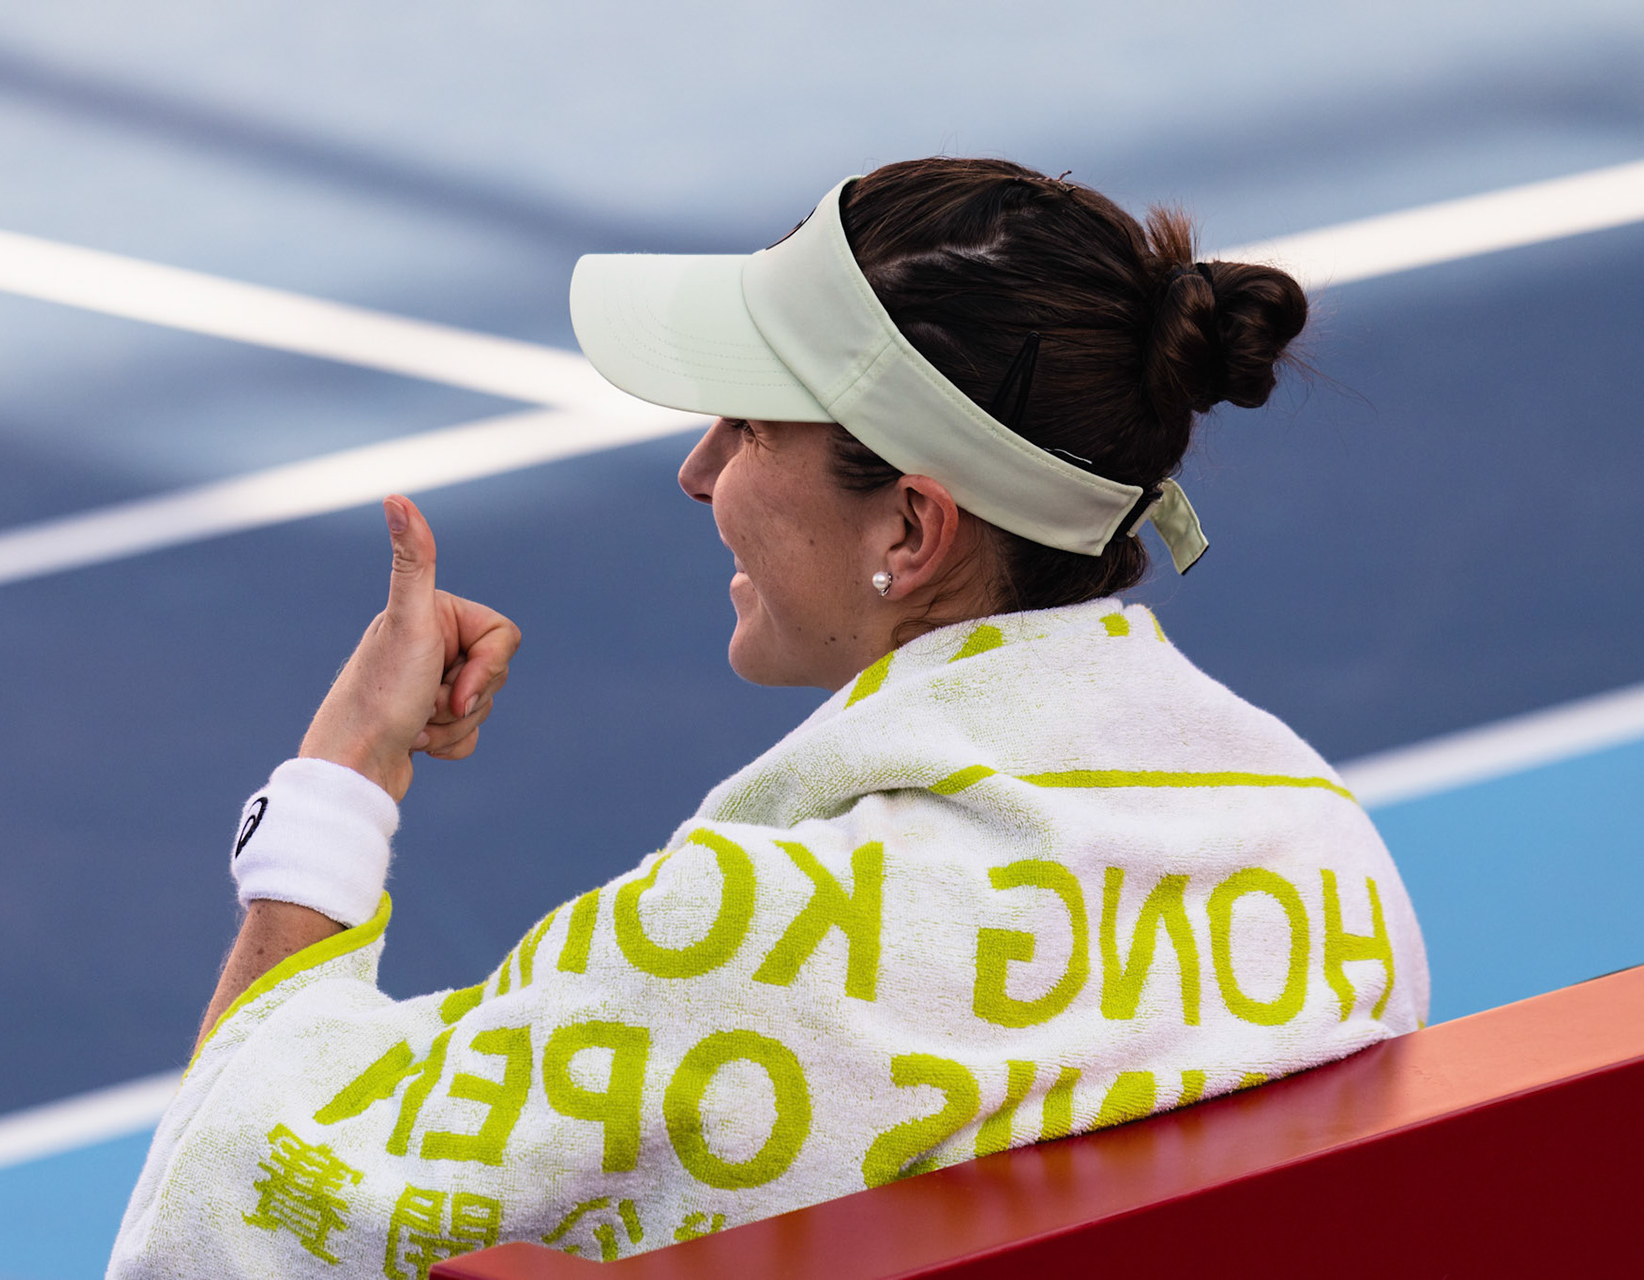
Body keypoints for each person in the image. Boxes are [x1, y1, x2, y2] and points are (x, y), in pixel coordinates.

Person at [108, 158, 1428, 1278]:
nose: (696, 471)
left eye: (745, 427)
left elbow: (232, 1211)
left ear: (912, 527)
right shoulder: (1331, 873)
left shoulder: (738, 949)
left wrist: (339, 787)